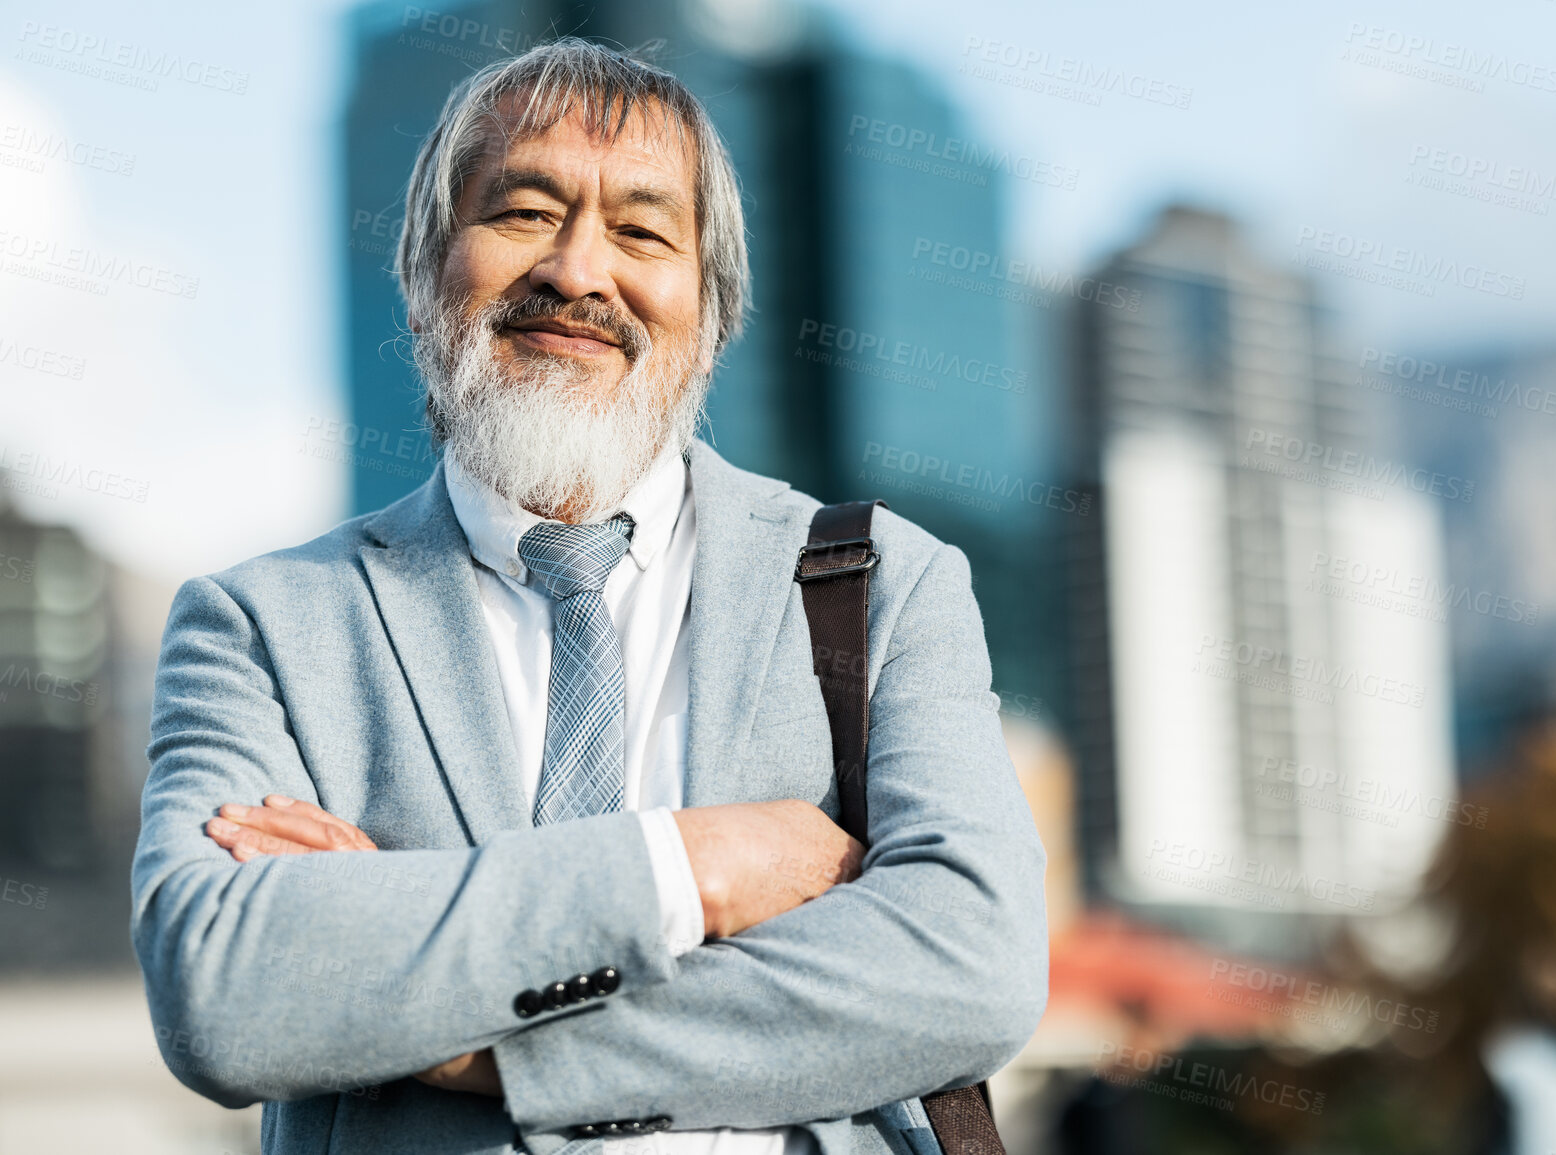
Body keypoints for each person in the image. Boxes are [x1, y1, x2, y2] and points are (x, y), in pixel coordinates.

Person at [131, 37, 1047, 1155]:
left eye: (642, 232)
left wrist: (463, 1034)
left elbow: (971, 972)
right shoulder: (264, 624)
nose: (576, 272)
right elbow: (224, 995)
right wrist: (697, 867)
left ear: (710, 314)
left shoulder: (882, 584)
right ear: (424, 272)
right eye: (522, 212)